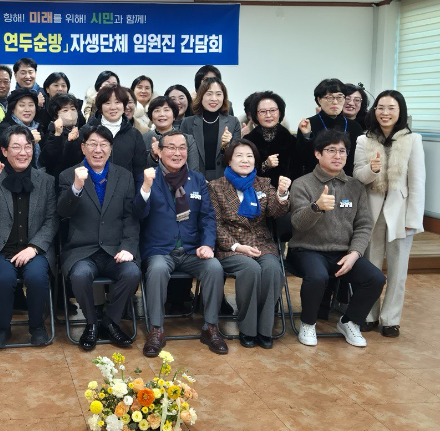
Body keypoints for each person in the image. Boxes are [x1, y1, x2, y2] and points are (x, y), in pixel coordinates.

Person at [287, 130, 385, 347]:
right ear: (317, 154)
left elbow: (364, 224)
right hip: (307, 250)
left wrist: (355, 253)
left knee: (375, 278)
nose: (338, 156)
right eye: (331, 150)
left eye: (342, 151)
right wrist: (316, 207)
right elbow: (298, 223)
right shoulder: (302, 184)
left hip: (343, 253)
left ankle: (350, 321)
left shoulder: (355, 186)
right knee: (317, 276)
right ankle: (308, 323)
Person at [133, 131, 228, 356]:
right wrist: (145, 188)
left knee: (214, 267)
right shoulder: (147, 177)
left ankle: (211, 327)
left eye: (182, 148)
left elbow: (207, 217)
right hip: (159, 249)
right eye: (171, 147)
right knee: (157, 270)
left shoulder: (197, 180)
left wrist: (207, 244)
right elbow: (137, 214)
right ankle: (156, 329)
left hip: (192, 249)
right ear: (159, 151)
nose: (177, 153)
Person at [0, 126, 59, 348]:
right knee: (4, 278)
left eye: (28, 147)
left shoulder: (46, 180)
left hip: (34, 249)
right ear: (4, 150)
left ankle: (37, 326)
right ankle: (2, 328)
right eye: (16, 147)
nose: (23, 152)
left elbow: (52, 220)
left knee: (37, 277)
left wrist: (34, 248)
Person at [58, 125, 141, 351]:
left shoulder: (124, 176)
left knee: (132, 273)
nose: (98, 150)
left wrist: (128, 247)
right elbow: (62, 212)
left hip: (115, 249)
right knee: (80, 275)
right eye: (92, 144)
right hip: (82, 250)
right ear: (83, 148)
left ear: (110, 149)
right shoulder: (68, 175)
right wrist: (76, 187)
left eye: (103, 145)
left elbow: (130, 217)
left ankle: (110, 321)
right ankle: (91, 323)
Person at [354, 90, 425, 338]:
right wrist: (371, 170)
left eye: (391, 108)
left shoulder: (413, 140)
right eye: (381, 108)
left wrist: (413, 219)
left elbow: (417, 182)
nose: (385, 113)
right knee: (371, 268)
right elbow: (357, 176)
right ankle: (369, 315)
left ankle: (391, 319)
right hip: (371, 213)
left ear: (400, 111)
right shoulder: (363, 140)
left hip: (401, 214)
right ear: (374, 111)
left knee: (398, 270)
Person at [208, 139, 291, 349]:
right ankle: (248, 328)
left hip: (261, 244)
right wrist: (237, 247)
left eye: (249, 156)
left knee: (273, 269)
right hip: (231, 247)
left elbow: (276, 212)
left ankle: (264, 329)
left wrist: (281, 194)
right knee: (251, 269)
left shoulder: (263, 183)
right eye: (239, 155)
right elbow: (215, 225)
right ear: (229, 160)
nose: (245, 160)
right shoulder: (216, 186)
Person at [296, 78, 363, 177]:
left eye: (339, 97)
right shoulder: (308, 124)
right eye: (330, 97)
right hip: (315, 179)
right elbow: (302, 159)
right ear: (319, 100)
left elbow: (357, 161)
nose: (335, 102)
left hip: (346, 179)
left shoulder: (355, 127)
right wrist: (307, 135)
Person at [180, 77, 241, 181]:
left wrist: (226, 146)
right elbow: (183, 155)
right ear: (201, 97)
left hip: (225, 180)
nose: (214, 98)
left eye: (218, 94)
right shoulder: (187, 123)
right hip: (195, 179)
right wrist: (197, 179)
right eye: (209, 94)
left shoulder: (233, 122)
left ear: (224, 97)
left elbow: (237, 157)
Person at [81, 85, 146, 179]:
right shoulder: (86, 130)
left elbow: (140, 171)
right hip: (91, 185)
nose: (113, 107)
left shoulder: (134, 134)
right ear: (100, 107)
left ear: (124, 105)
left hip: (125, 186)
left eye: (117, 102)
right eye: (107, 103)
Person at [245, 91, 298, 186]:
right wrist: (265, 165)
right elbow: (243, 171)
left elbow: (298, 171)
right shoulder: (248, 141)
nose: (268, 115)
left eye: (273, 110)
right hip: (255, 190)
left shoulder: (292, 141)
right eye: (263, 111)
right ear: (256, 115)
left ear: (280, 113)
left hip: (286, 191)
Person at [142, 96, 199, 172]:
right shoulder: (143, 139)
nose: (162, 114)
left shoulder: (188, 139)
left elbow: (193, 171)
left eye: (166, 110)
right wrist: (153, 156)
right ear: (151, 117)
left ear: (174, 116)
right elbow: (140, 170)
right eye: (157, 111)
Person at [0, 88, 42, 167]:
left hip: (37, 173)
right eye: (22, 105)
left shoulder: (37, 127)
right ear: (13, 108)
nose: (27, 109)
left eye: (31, 105)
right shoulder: (3, 129)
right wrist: (30, 143)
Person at [39, 93, 84, 180]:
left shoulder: (81, 132)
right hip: (58, 180)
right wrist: (57, 135)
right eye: (65, 110)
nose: (70, 113)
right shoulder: (50, 134)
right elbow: (46, 161)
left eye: (73, 109)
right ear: (56, 115)